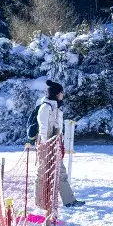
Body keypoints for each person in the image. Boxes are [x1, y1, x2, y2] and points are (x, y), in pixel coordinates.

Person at [36, 80, 85, 209]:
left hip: (55, 145)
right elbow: (43, 128)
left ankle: (69, 200)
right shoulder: (45, 108)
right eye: (61, 92)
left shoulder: (56, 108)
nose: (63, 94)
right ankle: (40, 202)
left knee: (61, 173)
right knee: (43, 174)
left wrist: (59, 143)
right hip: (46, 147)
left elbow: (57, 129)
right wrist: (47, 146)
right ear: (56, 94)